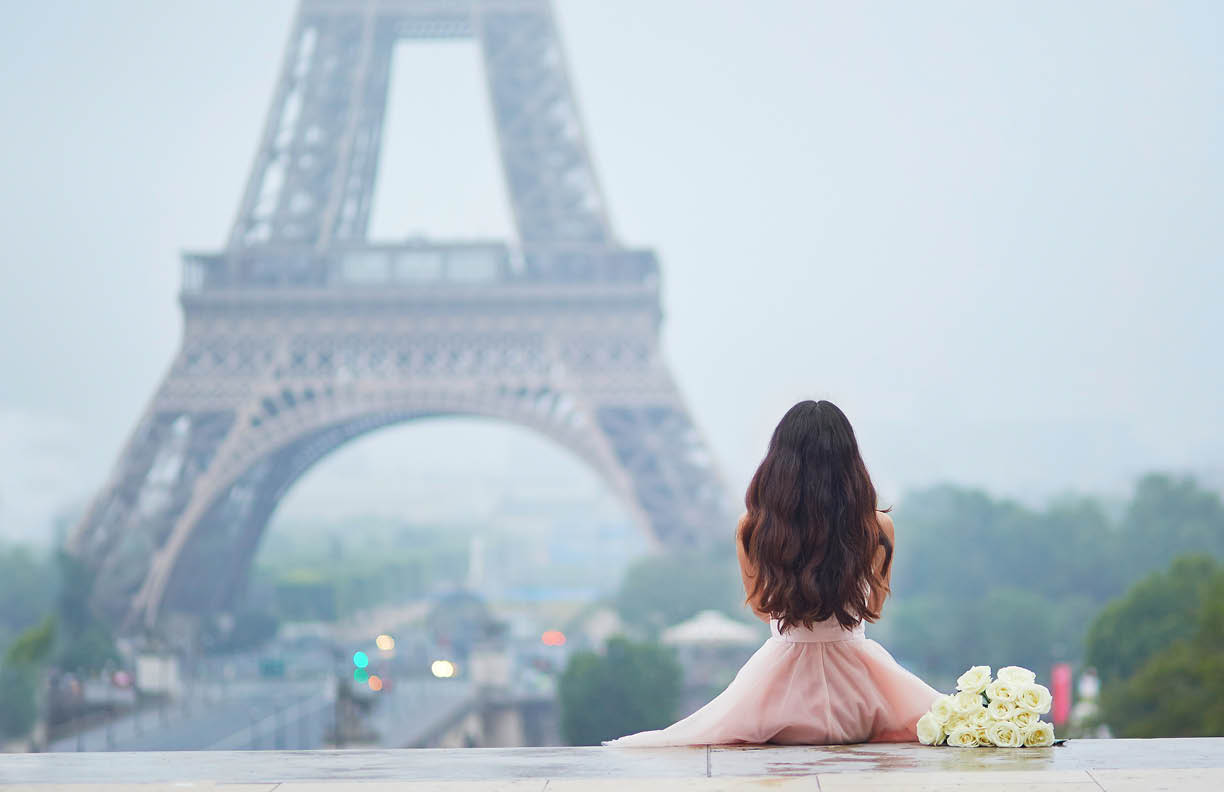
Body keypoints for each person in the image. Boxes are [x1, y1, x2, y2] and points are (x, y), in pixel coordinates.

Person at [605, 400, 939, 746]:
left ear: (780, 460)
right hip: (862, 693)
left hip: (781, 692)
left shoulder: (753, 528)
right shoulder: (877, 526)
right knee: (935, 722)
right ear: (850, 461)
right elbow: (877, 606)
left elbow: (761, 607)